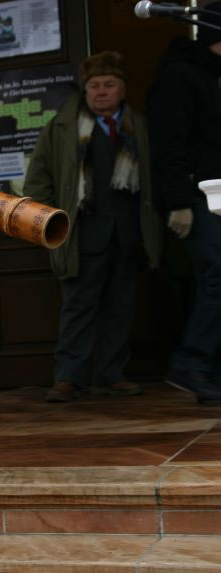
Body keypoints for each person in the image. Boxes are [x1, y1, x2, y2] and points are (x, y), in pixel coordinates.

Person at [24, 51, 161, 402]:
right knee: (78, 308)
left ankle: (112, 375)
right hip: (80, 235)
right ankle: (68, 378)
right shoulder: (62, 127)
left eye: (109, 84)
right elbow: (38, 178)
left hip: (128, 235)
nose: (101, 92)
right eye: (95, 85)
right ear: (85, 90)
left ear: (122, 89)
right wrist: (48, 220)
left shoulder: (140, 126)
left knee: (120, 308)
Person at [147, 4, 221, 401]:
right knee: (218, 274)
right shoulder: (180, 76)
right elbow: (167, 145)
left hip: (215, 193)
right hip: (196, 196)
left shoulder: (210, 75)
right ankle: (192, 362)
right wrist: (178, 202)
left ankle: (207, 369)